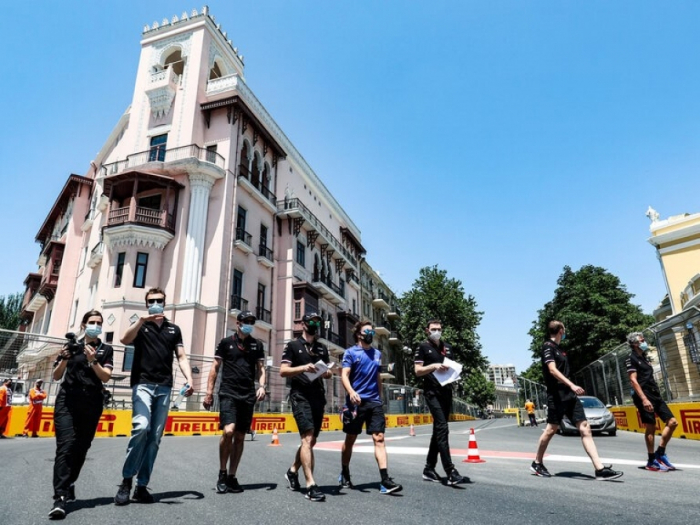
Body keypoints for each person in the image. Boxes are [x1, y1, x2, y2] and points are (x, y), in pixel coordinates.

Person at [114, 288, 194, 505]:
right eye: (151, 301)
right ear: (147, 304)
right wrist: (141, 320)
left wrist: (190, 379)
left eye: (159, 300)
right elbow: (123, 339)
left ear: (165, 303)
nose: (155, 304)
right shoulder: (141, 326)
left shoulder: (173, 329)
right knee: (141, 427)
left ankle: (141, 486)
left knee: (155, 438)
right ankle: (126, 481)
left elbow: (181, 356)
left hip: (164, 387)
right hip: (142, 385)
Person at [530, 321, 623, 481]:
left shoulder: (560, 350)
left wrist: (571, 389)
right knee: (551, 430)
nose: (565, 331)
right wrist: (572, 385)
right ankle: (537, 462)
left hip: (569, 396)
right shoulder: (548, 347)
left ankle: (599, 469)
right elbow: (552, 370)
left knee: (585, 428)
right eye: (564, 329)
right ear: (560, 330)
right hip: (557, 395)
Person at [49, 310, 114, 519]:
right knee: (66, 446)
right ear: (84, 325)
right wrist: (65, 360)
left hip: (92, 403)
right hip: (67, 401)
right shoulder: (71, 346)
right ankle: (59, 497)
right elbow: (56, 375)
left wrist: (93, 360)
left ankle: (70, 482)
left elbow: (106, 377)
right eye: (92, 322)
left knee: (81, 448)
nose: (96, 325)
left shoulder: (106, 349)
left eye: (99, 322)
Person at [203, 311, 266, 494]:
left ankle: (232, 476)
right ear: (238, 323)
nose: (249, 324)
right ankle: (222, 473)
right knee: (228, 430)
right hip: (228, 392)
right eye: (246, 321)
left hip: (247, 395)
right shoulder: (225, 343)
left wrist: (262, 386)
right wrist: (209, 392)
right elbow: (215, 367)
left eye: (251, 321)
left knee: (240, 436)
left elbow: (261, 369)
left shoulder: (257, 345)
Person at [340, 320, 402, 494]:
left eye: (372, 332)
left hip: (374, 402)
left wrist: (380, 398)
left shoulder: (377, 354)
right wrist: (351, 392)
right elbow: (344, 375)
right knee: (350, 439)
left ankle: (385, 480)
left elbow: (377, 377)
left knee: (379, 438)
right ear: (359, 334)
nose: (370, 334)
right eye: (367, 331)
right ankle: (345, 472)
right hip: (356, 402)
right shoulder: (350, 353)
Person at [280, 312, 333, 502]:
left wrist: (327, 374)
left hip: (317, 396)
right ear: (303, 324)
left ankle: (293, 470)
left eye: (317, 321)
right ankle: (311, 484)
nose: (314, 324)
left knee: (311, 441)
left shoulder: (321, 348)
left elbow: (328, 372)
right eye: (311, 321)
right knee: (307, 437)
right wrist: (303, 368)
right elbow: (283, 371)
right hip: (300, 395)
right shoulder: (293, 346)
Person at [413, 319, 466, 485]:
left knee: (438, 431)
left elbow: (453, 367)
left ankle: (429, 468)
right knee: (443, 428)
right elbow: (418, 371)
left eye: (439, 329)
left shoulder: (447, 347)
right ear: (427, 331)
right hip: (432, 393)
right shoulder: (422, 347)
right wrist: (434, 365)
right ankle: (450, 471)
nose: (437, 331)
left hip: (446, 391)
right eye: (434, 329)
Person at [626, 332, 678, 471]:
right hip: (644, 395)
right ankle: (651, 460)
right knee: (651, 427)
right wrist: (644, 399)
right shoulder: (631, 358)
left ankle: (660, 453)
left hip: (655, 394)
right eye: (642, 340)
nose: (645, 342)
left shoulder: (645, 358)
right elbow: (633, 380)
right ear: (635, 343)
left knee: (672, 422)